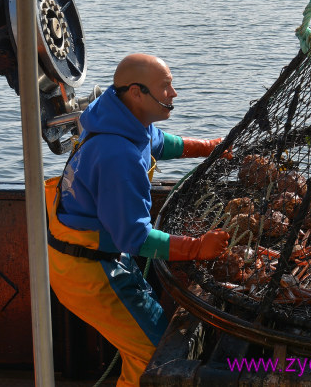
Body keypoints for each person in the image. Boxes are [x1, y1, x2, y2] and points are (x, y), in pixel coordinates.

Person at [44, 53, 230, 386]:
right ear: (136, 92)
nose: (174, 94)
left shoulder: (119, 118)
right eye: (166, 86)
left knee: (148, 350)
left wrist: (208, 146)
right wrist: (199, 247)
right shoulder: (119, 156)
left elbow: (160, 143)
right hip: (89, 272)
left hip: (95, 253)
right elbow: (136, 238)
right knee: (158, 357)